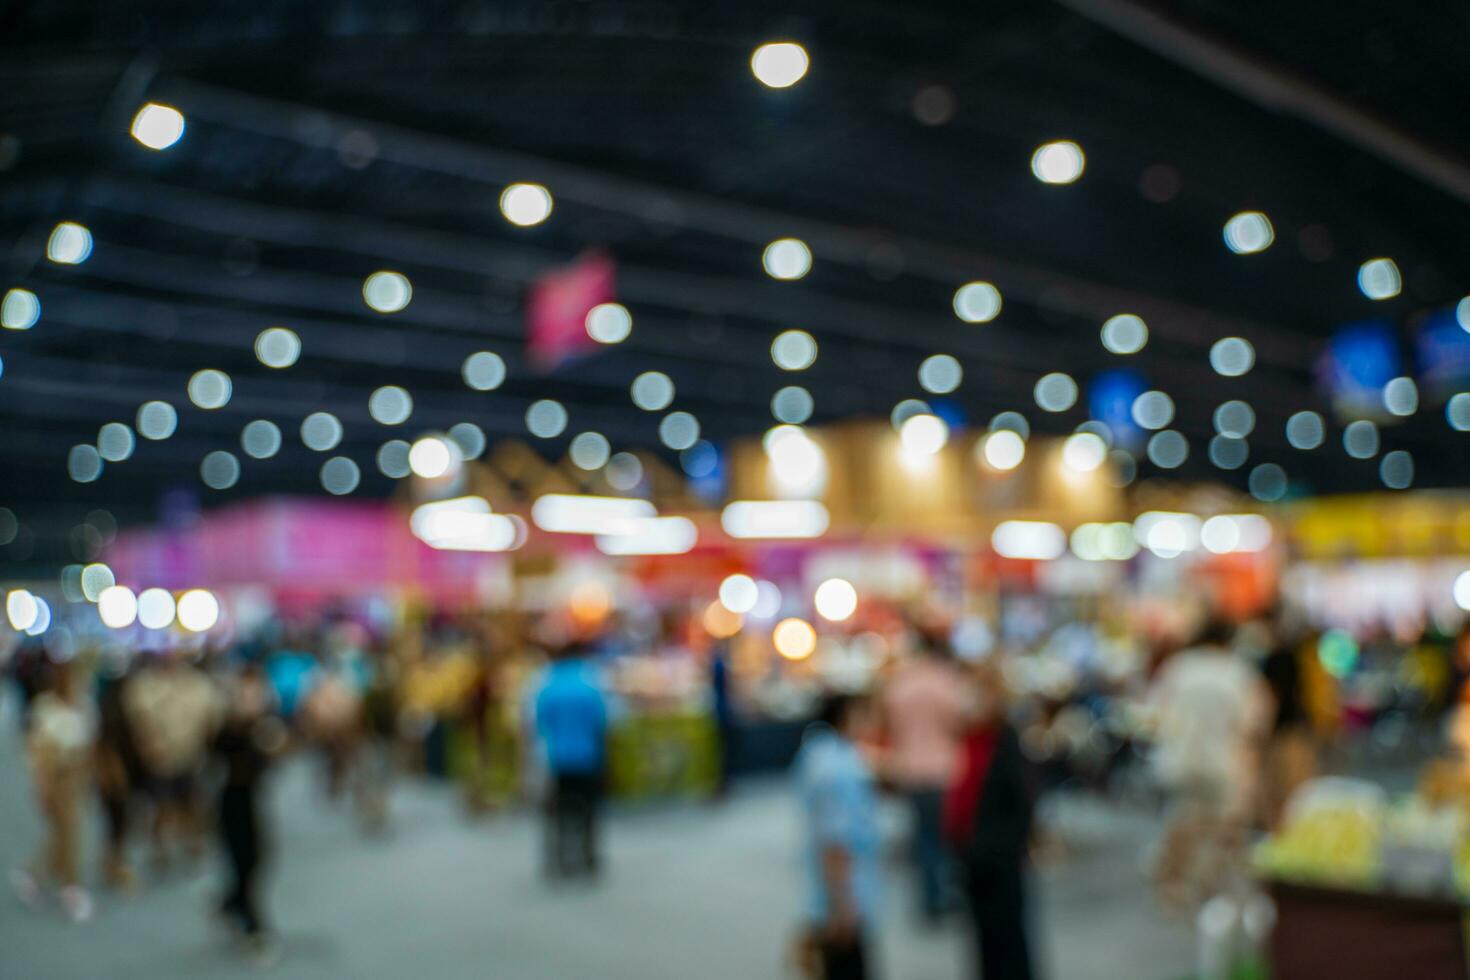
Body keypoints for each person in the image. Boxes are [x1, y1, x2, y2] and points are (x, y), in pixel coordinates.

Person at [1149, 618, 1271, 908]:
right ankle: (1202, 882)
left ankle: (1171, 880)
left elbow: (1154, 712)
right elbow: (1252, 724)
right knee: (1219, 825)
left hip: (1178, 760)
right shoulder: (1236, 671)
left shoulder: (1179, 666)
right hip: (1222, 763)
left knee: (1182, 818)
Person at [945, 663, 1036, 980]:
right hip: (975, 857)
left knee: (1007, 938)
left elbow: (1020, 804)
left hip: (997, 858)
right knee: (985, 940)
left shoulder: (1003, 741)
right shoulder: (972, 740)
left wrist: (997, 848)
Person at [880, 636, 969, 922]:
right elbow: (959, 721)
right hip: (944, 769)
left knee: (925, 837)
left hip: (910, 769)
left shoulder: (900, 685)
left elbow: (888, 724)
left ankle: (931, 898)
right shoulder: (945, 682)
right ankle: (950, 893)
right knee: (951, 836)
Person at [795, 693, 881, 980]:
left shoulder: (818, 755)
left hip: (831, 889)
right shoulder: (840, 769)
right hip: (846, 893)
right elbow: (836, 840)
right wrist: (842, 904)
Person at [11, 660, 97, 922]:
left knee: (61, 833)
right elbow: (38, 750)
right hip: (56, 775)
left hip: (78, 773)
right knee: (70, 831)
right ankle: (71, 885)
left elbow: (91, 739)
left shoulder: (84, 704)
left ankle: (34, 873)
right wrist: (43, 786)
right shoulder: (46, 706)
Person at [124, 650, 224, 871]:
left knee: (192, 804)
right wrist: (148, 745)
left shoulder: (197, 684)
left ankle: (191, 843)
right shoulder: (145, 685)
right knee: (161, 806)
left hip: (190, 756)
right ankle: (161, 848)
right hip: (160, 759)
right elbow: (138, 719)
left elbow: (212, 716)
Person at [212, 664, 281, 961]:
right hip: (229, 800)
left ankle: (232, 903)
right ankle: (252, 924)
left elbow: (273, 758)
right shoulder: (226, 725)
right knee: (243, 859)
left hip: (251, 798)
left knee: (257, 857)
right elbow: (216, 756)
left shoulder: (263, 726)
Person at [533, 642, 609, 879]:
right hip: (589, 758)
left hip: (558, 759)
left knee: (558, 811)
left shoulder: (548, 686)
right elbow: (603, 721)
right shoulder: (591, 685)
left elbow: (540, 723)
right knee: (589, 811)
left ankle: (559, 858)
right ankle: (588, 857)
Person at [1260, 618, 1316, 830]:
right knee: (1295, 791)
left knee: (1280, 792)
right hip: (1295, 732)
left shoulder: (1276, 660)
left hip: (1281, 734)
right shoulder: (1302, 659)